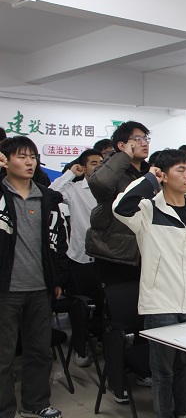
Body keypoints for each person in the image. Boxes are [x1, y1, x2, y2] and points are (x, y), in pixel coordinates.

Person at [113, 149, 186, 418]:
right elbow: (119, 207)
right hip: (161, 302)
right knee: (162, 370)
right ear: (163, 175)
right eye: (180, 170)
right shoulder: (147, 210)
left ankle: (184, 416)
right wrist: (148, 180)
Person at [0, 137, 69, 418]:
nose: (29, 162)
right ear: (5, 161)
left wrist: (58, 279)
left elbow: (59, 243)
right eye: (21, 156)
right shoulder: (1, 195)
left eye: (33, 156)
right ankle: (3, 412)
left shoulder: (47, 198)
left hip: (40, 288)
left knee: (39, 350)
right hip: (6, 288)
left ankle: (35, 402)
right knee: (3, 355)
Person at [86, 120, 152, 403]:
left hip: (145, 254)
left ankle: (140, 368)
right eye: (138, 138)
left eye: (146, 138)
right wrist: (122, 156)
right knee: (116, 322)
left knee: (144, 316)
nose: (144, 143)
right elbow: (100, 185)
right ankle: (116, 378)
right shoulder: (112, 170)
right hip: (115, 255)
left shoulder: (149, 172)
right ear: (122, 145)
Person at [49, 148, 103, 367]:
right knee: (80, 307)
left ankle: (100, 340)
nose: (98, 166)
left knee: (103, 304)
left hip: (105, 258)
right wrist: (71, 173)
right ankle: (81, 346)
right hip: (80, 258)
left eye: (102, 163)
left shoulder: (110, 189)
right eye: (93, 163)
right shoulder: (74, 188)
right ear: (83, 167)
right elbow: (50, 194)